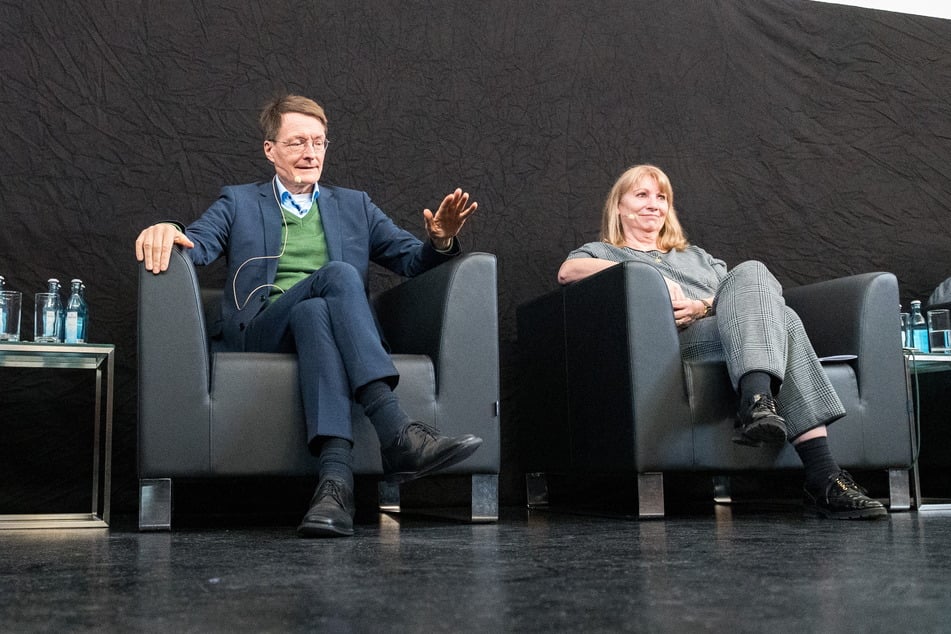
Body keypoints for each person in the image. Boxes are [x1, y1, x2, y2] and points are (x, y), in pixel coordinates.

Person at [135, 94, 483, 538]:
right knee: (336, 276)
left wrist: (439, 240)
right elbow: (198, 244)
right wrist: (171, 230)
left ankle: (334, 486)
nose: (310, 153)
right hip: (262, 330)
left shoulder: (355, 206)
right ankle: (396, 431)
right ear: (270, 149)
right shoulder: (239, 202)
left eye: (318, 142)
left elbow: (412, 263)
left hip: (321, 327)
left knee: (316, 312)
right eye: (298, 142)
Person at [557, 164, 886, 520]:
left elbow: (746, 294)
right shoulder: (605, 252)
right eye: (642, 195)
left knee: (755, 276)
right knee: (783, 320)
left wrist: (703, 305)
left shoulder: (697, 257)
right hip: (679, 345)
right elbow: (568, 271)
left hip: (732, 336)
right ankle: (820, 471)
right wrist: (642, 274)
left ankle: (760, 405)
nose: (653, 204)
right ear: (618, 207)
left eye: (661, 197)